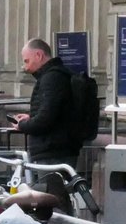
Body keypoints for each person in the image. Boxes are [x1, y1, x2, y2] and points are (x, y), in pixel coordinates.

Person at [10, 39, 80, 168]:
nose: (26, 67)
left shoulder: (52, 78)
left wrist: (23, 125)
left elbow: (45, 119)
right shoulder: (54, 76)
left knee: (51, 187)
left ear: (39, 55)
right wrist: (31, 118)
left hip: (52, 152)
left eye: (27, 61)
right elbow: (53, 113)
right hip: (55, 149)